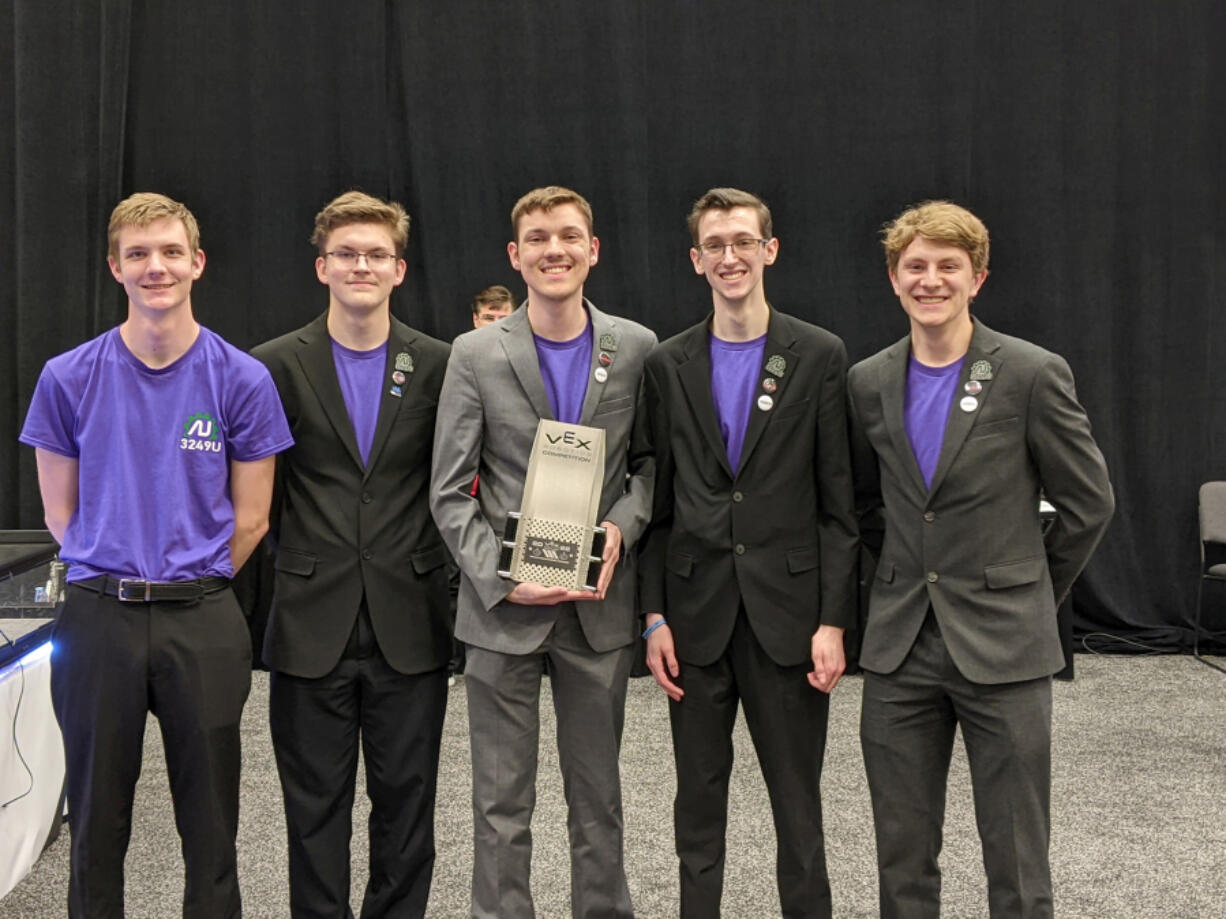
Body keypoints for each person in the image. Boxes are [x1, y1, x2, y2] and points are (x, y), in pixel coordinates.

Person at [18, 192, 292, 918]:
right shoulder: (67, 376)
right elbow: (58, 511)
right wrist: (116, 569)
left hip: (201, 617)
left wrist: (189, 580)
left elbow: (254, 517)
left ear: (197, 263)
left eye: (171, 251)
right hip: (98, 617)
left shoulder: (241, 378)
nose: (155, 266)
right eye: (138, 253)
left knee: (210, 825)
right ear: (116, 267)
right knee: (95, 823)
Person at [848, 200, 1114, 918]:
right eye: (916, 266)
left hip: (1006, 648)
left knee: (1018, 855)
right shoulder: (868, 380)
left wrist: (1029, 590)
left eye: (948, 266)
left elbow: (1089, 502)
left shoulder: (1030, 372)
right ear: (894, 278)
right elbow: (865, 507)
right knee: (901, 855)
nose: (930, 279)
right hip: (901, 649)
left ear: (978, 278)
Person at [429, 186, 655, 919]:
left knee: (599, 802)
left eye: (567, 236)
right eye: (536, 237)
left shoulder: (637, 348)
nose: (552, 249)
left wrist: (623, 525)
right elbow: (449, 491)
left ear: (593, 248)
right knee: (499, 807)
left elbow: (649, 468)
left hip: (598, 610)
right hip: (502, 615)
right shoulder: (474, 353)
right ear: (515, 254)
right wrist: (501, 577)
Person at [638, 187, 859, 919]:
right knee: (696, 808)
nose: (729, 257)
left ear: (769, 249)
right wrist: (653, 617)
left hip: (790, 620)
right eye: (714, 245)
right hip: (695, 620)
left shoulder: (819, 354)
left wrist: (833, 620)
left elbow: (839, 506)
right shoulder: (668, 364)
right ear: (696, 260)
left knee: (799, 809)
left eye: (742, 241)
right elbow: (657, 505)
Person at [252, 191, 452, 919]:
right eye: (346, 253)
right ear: (321, 266)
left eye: (375, 254)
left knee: (407, 810)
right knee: (313, 814)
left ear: (399, 269)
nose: (360, 265)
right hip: (311, 621)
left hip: (412, 619)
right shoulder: (272, 364)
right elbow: (257, 496)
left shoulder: (438, 364)